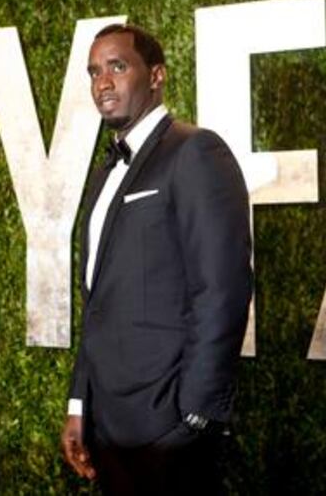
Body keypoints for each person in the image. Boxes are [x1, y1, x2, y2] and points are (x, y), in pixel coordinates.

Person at [61, 24, 253, 495]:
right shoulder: (106, 169)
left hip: (167, 427)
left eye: (118, 66)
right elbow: (99, 301)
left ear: (157, 76)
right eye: (93, 71)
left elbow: (222, 288)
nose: (102, 82)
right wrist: (79, 404)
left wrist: (196, 414)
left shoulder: (195, 151)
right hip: (107, 422)